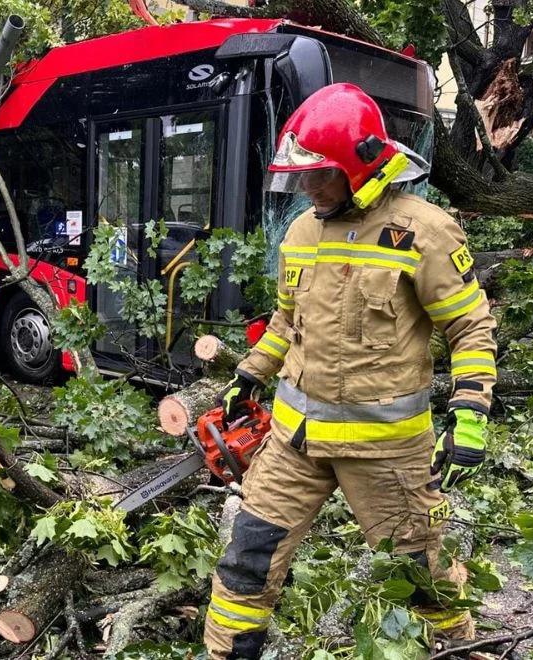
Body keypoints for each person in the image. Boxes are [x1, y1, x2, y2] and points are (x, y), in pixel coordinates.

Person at [203, 84, 498, 659]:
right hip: (296, 444)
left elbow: (471, 328)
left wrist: (471, 415)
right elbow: (288, 323)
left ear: (362, 168)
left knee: (425, 578)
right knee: (246, 561)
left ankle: (462, 652)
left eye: (321, 174)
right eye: (302, 175)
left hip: (386, 454)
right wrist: (251, 372)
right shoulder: (302, 232)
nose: (309, 187)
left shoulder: (424, 231)